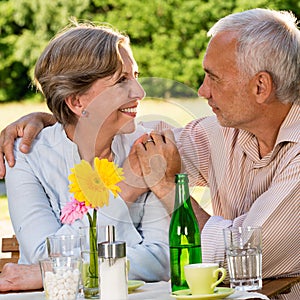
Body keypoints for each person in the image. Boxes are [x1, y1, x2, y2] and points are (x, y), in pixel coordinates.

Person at [0, 8, 299, 298]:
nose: (201, 90)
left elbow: (193, 257)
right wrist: (56, 117)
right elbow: (41, 254)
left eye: (214, 77)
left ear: (261, 86)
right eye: (122, 80)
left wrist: (167, 187)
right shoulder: (218, 133)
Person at [0, 21, 171, 291]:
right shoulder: (26, 157)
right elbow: (43, 257)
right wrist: (125, 189)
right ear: (78, 101)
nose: (140, 92)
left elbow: (160, 262)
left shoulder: (144, 148)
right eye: (121, 81)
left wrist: (68, 268)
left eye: (136, 76)